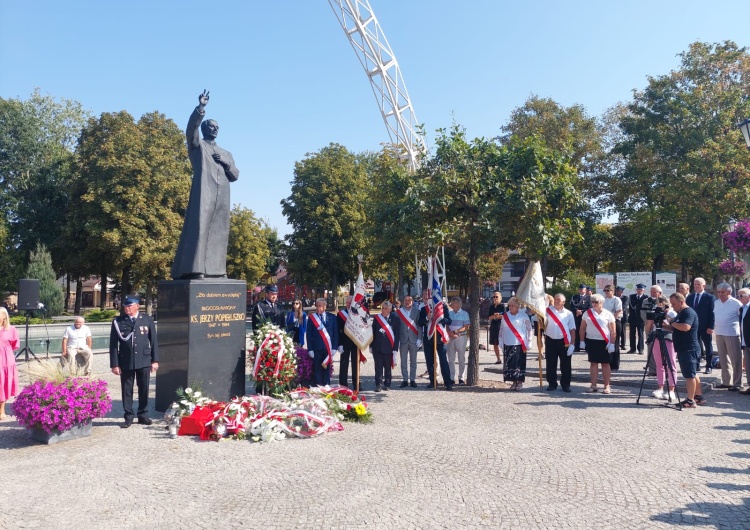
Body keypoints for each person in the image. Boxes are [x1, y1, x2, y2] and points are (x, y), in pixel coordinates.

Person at [172, 90, 240, 280]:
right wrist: (200, 108)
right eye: (211, 126)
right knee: (199, 230)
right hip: (204, 193)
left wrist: (225, 163)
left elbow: (235, 175)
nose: (215, 129)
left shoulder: (226, 153)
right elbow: (190, 131)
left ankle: (217, 271)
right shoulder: (198, 146)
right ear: (204, 129)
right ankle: (196, 270)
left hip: (223, 196)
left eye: (217, 126)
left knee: (220, 231)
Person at [109, 296, 159, 428]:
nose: (127, 308)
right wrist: (115, 364)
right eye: (125, 306)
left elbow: (153, 341)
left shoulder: (147, 320)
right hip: (126, 361)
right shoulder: (118, 321)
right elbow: (113, 345)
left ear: (137, 306)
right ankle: (128, 416)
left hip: (144, 359)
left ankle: (143, 415)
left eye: (129, 306)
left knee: (144, 388)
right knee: (127, 389)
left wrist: (155, 360)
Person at [664, 293, 706, 407]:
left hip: (688, 348)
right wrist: (664, 325)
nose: (672, 307)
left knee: (689, 375)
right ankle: (698, 396)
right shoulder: (681, 313)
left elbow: (685, 327)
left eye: (674, 304)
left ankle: (690, 400)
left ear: (681, 302)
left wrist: (672, 321)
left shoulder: (688, 312)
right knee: (693, 373)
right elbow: (675, 328)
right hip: (685, 347)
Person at [579, 293, 616, 394]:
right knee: (593, 363)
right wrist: (582, 341)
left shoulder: (608, 314)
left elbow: (613, 331)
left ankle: (607, 386)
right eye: (592, 302)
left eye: (596, 302)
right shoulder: (587, 313)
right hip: (591, 341)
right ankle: (593, 385)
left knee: (605, 364)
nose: (594, 304)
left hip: (604, 341)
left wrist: (612, 344)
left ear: (601, 303)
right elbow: (582, 328)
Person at [709, 282, 742, 391]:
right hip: (719, 333)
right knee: (723, 359)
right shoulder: (716, 302)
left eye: (722, 292)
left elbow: (741, 318)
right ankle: (727, 381)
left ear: (729, 292)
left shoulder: (736, 303)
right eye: (718, 292)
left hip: (731, 333)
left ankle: (737, 383)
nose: (720, 294)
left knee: (735, 359)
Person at [418, 293, 453, 390]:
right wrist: (427, 318)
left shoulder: (443, 307)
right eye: (426, 298)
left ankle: (448, 383)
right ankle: (433, 382)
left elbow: (449, 321)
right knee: (430, 362)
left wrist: (439, 318)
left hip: (440, 338)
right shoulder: (423, 309)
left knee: (443, 361)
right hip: (428, 338)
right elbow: (420, 323)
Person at [499, 297, 532, 391]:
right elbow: (501, 329)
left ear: (518, 307)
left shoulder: (523, 316)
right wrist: (500, 340)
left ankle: (520, 381)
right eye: (509, 305)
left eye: (513, 305)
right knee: (510, 363)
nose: (511, 307)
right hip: (507, 342)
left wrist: (529, 341)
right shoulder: (506, 316)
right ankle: (513, 381)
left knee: (519, 363)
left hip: (519, 343)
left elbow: (529, 329)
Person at [544, 294, 576, 392]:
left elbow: (572, 329)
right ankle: (552, 383)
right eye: (556, 299)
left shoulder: (568, 313)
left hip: (564, 341)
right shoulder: (547, 311)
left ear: (564, 302)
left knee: (566, 364)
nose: (557, 301)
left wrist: (572, 344)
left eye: (559, 300)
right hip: (550, 340)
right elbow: (541, 323)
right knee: (551, 363)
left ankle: (565, 385)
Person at [650, 296, 678, 403]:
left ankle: (671, 390)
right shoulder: (656, 312)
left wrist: (667, 316)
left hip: (669, 338)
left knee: (671, 364)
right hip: (657, 337)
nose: (659, 306)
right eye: (658, 304)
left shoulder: (672, 313)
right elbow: (652, 325)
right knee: (659, 364)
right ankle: (660, 388)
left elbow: (674, 326)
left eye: (662, 304)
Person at [686, 277, 716, 374]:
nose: (696, 286)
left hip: (705, 326)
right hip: (693, 327)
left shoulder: (710, 297)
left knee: (708, 346)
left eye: (698, 284)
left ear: (704, 285)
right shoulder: (690, 297)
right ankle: (696, 364)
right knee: (695, 346)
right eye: (694, 284)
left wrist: (711, 327)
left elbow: (712, 313)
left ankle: (709, 366)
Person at [306, 298, 338, 386]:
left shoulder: (332, 317)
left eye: (320, 306)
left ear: (325, 306)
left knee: (327, 368)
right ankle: (318, 386)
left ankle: (327, 385)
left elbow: (335, 333)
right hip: (317, 348)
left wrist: (335, 347)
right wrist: (310, 349)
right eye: (317, 306)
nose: (318, 308)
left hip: (328, 348)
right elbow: (308, 335)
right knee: (317, 369)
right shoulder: (312, 318)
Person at [371, 301, 401, 392]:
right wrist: (371, 346)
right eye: (383, 308)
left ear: (390, 310)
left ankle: (387, 384)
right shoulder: (377, 318)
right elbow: (372, 332)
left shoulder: (395, 318)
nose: (383, 310)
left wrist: (395, 348)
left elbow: (397, 335)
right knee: (378, 367)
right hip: (377, 347)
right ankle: (378, 384)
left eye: (386, 309)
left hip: (389, 348)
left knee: (387, 367)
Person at [396, 295, 421, 388]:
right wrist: (397, 339)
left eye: (409, 300)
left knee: (413, 361)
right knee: (403, 361)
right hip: (403, 339)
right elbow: (397, 327)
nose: (407, 302)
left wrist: (420, 338)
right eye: (406, 300)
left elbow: (419, 326)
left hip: (414, 339)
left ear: (412, 301)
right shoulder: (399, 312)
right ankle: (405, 380)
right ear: (403, 302)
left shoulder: (417, 311)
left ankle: (413, 379)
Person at [0, 307, 19, 421]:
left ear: (4, 318)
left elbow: (14, 345)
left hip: (6, 360)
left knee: (3, 384)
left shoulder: (11, 329)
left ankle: (1, 410)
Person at [446, 297, 470, 385]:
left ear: (458, 304)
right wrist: (449, 332)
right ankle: (451, 377)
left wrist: (456, 331)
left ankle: (461, 378)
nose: (451, 304)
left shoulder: (464, 314)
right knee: (451, 359)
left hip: (461, 337)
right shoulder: (449, 313)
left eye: (453, 303)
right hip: (451, 337)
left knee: (461, 358)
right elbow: (447, 324)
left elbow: (466, 326)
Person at [337, 296, 358, 388]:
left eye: (350, 302)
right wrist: (339, 344)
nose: (349, 304)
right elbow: (338, 330)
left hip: (355, 342)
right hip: (344, 342)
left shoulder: (358, 314)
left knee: (355, 364)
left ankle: (356, 383)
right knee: (344, 363)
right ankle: (343, 383)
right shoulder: (341, 314)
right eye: (347, 303)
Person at [602, 284, 623, 370]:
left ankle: (615, 364)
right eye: (605, 291)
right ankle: (607, 362)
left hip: (615, 321)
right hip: (605, 322)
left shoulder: (616, 299)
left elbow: (618, 311)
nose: (606, 292)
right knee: (607, 342)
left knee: (615, 342)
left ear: (613, 291)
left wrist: (612, 320)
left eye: (608, 290)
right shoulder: (603, 300)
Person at [569, 284, 591, 351]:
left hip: (585, 317)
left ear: (585, 290)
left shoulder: (589, 298)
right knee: (576, 330)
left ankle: (587, 346)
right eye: (580, 289)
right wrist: (576, 311)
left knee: (586, 331)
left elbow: (590, 307)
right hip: (577, 316)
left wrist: (582, 311)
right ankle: (577, 346)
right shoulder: (574, 297)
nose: (581, 290)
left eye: (583, 289)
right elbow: (571, 305)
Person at [628, 284, 648, 354]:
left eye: (641, 290)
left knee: (641, 334)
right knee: (632, 334)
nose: (639, 291)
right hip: (633, 318)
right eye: (638, 289)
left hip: (641, 318)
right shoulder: (631, 297)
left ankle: (641, 349)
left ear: (643, 290)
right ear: (636, 290)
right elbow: (631, 307)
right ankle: (632, 349)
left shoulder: (646, 298)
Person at [738, 288, 750, 395]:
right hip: (745, 341)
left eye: (741, 296)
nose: (739, 298)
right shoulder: (742, 308)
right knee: (748, 365)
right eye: (738, 296)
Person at [488, 291, 504, 364]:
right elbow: (489, 317)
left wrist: (498, 316)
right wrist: (494, 316)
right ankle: (498, 359)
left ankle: (506, 358)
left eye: (496, 297)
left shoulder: (502, 306)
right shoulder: (491, 307)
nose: (495, 298)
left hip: (501, 326)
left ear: (500, 298)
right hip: (494, 326)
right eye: (493, 297)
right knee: (495, 343)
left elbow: (505, 316)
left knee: (503, 343)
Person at [615, 286, 629, 350]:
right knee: (616, 331)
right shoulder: (614, 298)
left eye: (618, 291)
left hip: (623, 316)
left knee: (623, 331)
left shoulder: (625, 297)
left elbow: (624, 305)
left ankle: (623, 344)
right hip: (615, 316)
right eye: (616, 291)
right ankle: (616, 343)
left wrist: (617, 309)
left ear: (622, 292)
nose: (617, 292)